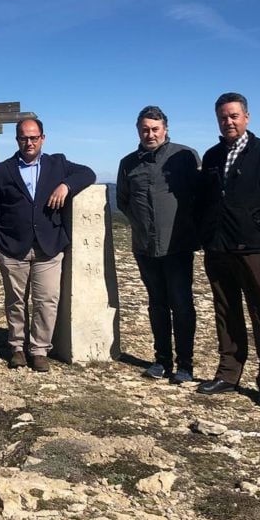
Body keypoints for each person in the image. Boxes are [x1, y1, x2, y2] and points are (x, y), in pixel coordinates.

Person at [195, 92, 260, 408]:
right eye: (223, 117)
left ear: (246, 117)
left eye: (234, 116)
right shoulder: (211, 156)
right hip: (217, 246)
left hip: (251, 246)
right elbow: (203, 199)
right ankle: (228, 374)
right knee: (226, 311)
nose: (229, 122)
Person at [0, 117, 96, 372]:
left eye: (34, 137)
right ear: (17, 139)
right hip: (11, 247)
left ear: (43, 138)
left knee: (47, 300)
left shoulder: (58, 164)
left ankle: (40, 349)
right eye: (24, 137)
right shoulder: (0, 171)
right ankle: (17, 347)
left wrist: (66, 185)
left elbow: (88, 173)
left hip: (49, 246)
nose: (29, 142)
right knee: (15, 301)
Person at [116, 106, 201, 384]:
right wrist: (142, 225)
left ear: (165, 128)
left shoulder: (185, 156)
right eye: (145, 129)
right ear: (138, 131)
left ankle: (185, 365)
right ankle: (161, 360)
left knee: (182, 305)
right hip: (145, 247)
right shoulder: (128, 163)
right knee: (157, 305)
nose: (150, 134)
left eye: (155, 129)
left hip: (177, 246)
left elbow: (197, 197)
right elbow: (123, 201)